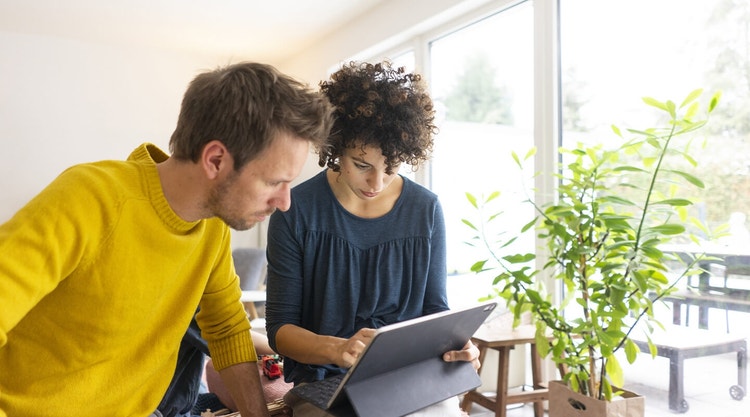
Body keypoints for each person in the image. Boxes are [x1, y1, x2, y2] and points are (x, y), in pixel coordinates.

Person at [0, 61, 334, 417]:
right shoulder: (89, 198)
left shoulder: (212, 226)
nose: (285, 203)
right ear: (216, 159)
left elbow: (227, 329)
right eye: (274, 182)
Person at [264, 61, 479, 416]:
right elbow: (280, 329)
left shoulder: (425, 210)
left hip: (409, 378)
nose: (376, 183)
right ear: (336, 146)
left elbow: (434, 311)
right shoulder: (296, 211)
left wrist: (459, 345)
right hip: (323, 382)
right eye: (362, 165)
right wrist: (336, 349)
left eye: (391, 168)